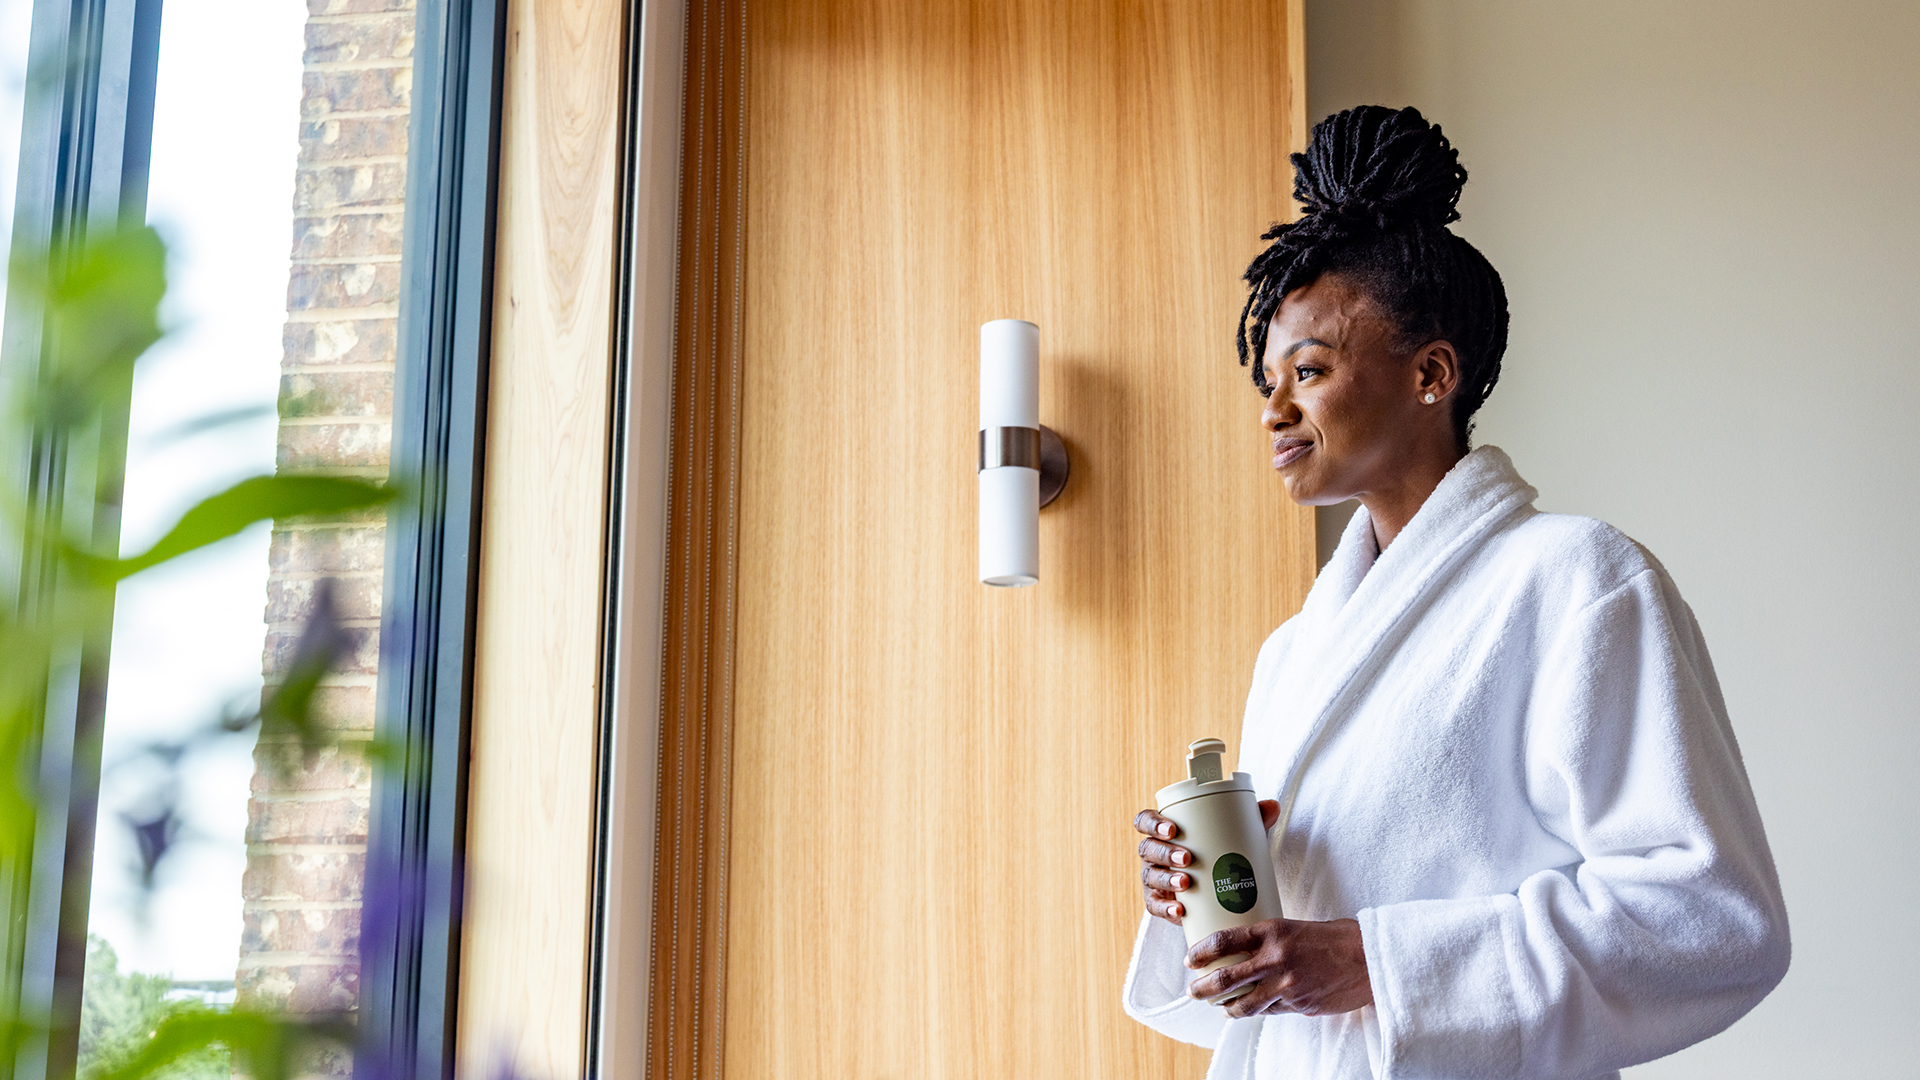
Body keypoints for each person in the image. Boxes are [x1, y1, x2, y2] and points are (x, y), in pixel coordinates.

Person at [1123, 106, 1789, 1080]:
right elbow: (1271, 987)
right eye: (1267, 381)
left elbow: (1715, 921)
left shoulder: (1580, 584)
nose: (1274, 411)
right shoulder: (1295, 651)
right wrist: (1199, 899)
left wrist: (1380, 963)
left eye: (1308, 370)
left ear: (1432, 372)